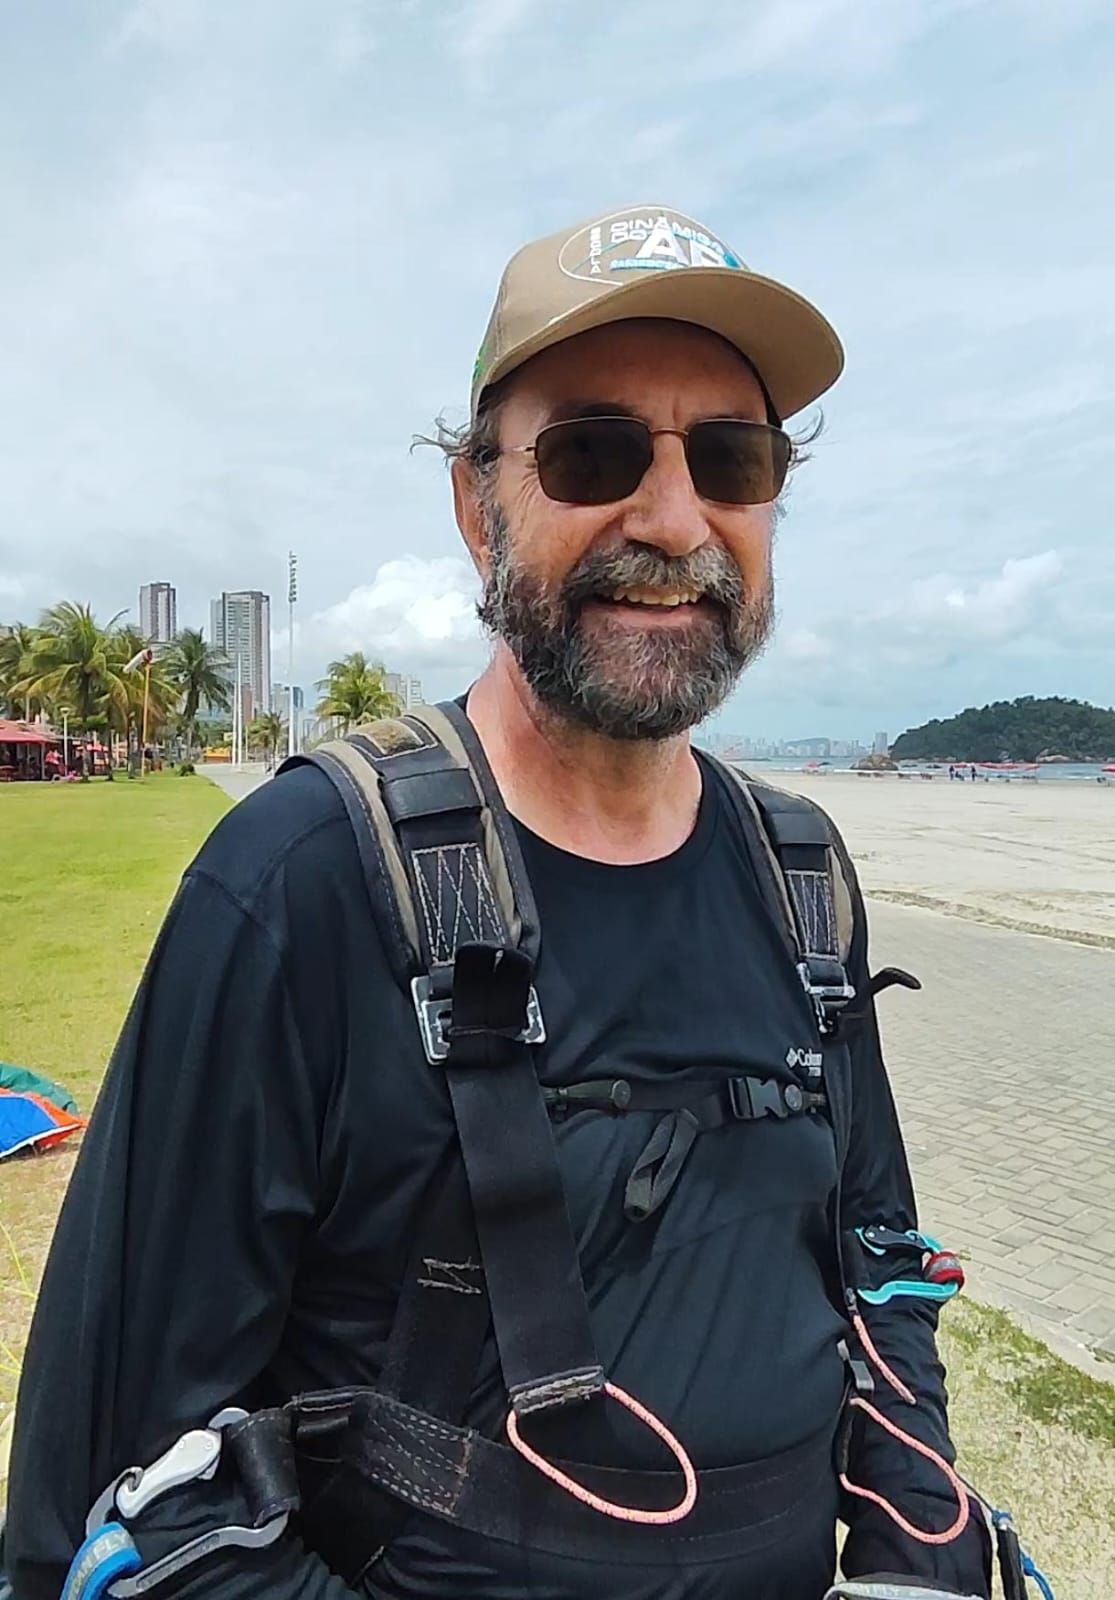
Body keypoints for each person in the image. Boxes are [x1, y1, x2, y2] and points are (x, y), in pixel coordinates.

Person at [4, 205, 992, 1600]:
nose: (674, 519)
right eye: (592, 451)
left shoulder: (805, 877)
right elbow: (120, 1497)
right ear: (477, 508)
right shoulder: (299, 883)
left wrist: (915, 1553)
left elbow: (878, 1267)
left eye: (731, 456)